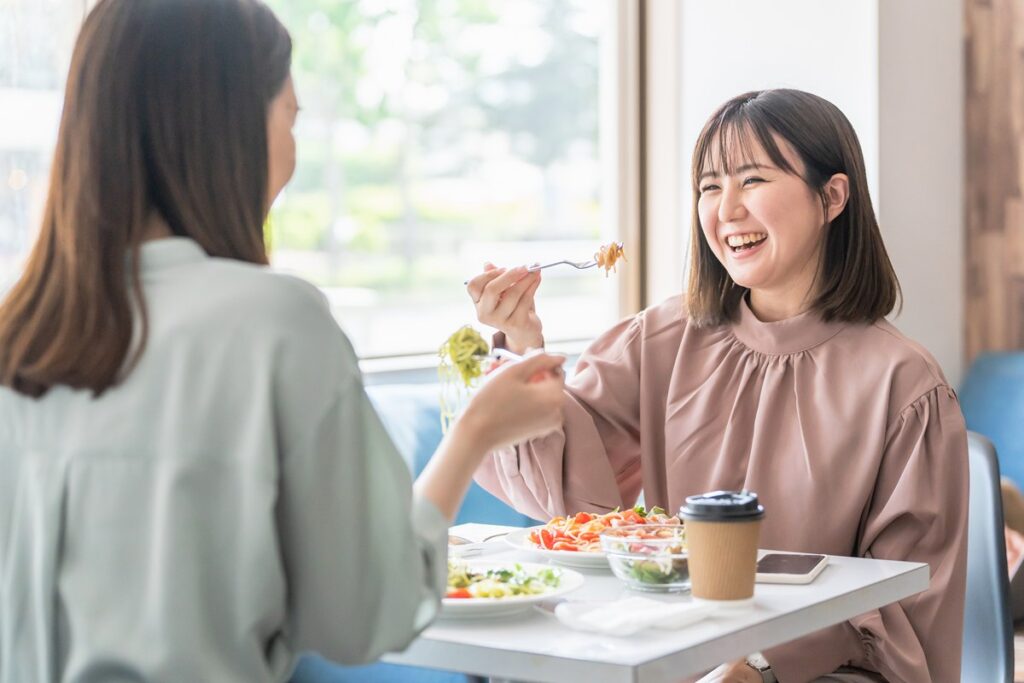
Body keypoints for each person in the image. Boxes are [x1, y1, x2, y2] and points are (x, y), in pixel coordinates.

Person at [0, 1, 566, 681]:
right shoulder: (274, 324)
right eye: (290, 116)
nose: (293, 152)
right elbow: (368, 614)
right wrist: (474, 431)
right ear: (227, 128)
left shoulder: (21, 334)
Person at [467, 89, 968, 683]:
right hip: (658, 655)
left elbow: (906, 609)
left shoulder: (905, 385)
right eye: (708, 187)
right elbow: (566, 489)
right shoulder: (660, 339)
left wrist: (760, 665)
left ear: (832, 197)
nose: (724, 210)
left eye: (752, 180)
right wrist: (524, 340)